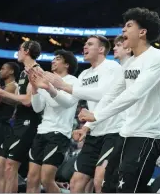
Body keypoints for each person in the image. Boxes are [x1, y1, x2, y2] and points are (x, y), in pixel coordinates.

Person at [78, 7, 160, 193]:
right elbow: (112, 94)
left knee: (128, 189)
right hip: (125, 133)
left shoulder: (157, 58)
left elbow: (134, 93)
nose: (123, 31)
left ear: (142, 32)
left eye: (129, 26)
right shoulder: (130, 63)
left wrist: (97, 115)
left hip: (147, 135)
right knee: (108, 187)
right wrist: (88, 125)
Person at [44, 35, 124, 193]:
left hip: (114, 131)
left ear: (101, 49)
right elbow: (69, 101)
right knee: (76, 183)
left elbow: (105, 94)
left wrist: (65, 86)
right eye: (85, 44)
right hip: (94, 133)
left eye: (90, 44)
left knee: (100, 180)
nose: (85, 47)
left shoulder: (112, 67)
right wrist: (49, 87)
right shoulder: (84, 74)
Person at [25, 50, 79, 193]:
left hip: (59, 133)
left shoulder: (73, 81)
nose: (53, 61)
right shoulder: (45, 81)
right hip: (42, 131)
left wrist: (48, 87)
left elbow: (64, 103)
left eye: (58, 59)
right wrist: (35, 88)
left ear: (67, 64)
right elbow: (37, 108)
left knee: (46, 179)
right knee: (31, 178)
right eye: (53, 58)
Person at [0, 41, 42, 193]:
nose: (18, 52)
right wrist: (0, 95)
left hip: (29, 124)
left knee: (10, 167)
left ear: (27, 51)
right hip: (18, 124)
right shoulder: (23, 72)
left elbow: (28, 100)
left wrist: (1, 93)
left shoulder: (36, 71)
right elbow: (15, 99)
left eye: (19, 49)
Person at [0, 62, 19, 165]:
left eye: (3, 69)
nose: (0, 71)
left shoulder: (12, 86)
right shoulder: (5, 87)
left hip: (2, 125)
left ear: (11, 71)